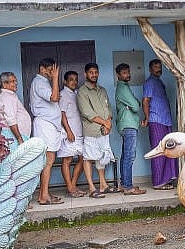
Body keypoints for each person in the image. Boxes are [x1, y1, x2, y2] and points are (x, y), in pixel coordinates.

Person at [77, 63, 117, 198]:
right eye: (91, 72)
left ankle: (103, 185)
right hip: (91, 130)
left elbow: (108, 108)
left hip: (104, 130)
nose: (94, 75)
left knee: (102, 157)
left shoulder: (102, 90)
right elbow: (87, 112)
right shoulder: (82, 91)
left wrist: (109, 123)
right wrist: (105, 123)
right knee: (88, 157)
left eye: (96, 72)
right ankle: (91, 187)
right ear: (85, 74)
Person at [30, 58, 64, 205]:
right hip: (45, 126)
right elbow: (55, 98)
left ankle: (45, 193)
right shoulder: (39, 82)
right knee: (48, 161)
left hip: (49, 126)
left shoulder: (43, 82)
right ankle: (43, 196)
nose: (53, 73)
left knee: (48, 161)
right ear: (42, 69)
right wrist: (56, 78)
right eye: (50, 70)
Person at [142, 59, 178, 190]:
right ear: (150, 69)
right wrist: (147, 118)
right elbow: (145, 101)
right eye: (156, 67)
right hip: (156, 120)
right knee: (158, 151)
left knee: (169, 150)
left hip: (166, 120)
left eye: (159, 67)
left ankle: (167, 179)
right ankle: (158, 182)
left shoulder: (159, 82)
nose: (158, 69)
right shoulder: (150, 82)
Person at [115, 63, 147, 195]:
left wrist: (134, 104)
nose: (127, 75)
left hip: (128, 125)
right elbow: (135, 105)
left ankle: (124, 184)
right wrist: (134, 104)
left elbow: (134, 105)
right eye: (124, 73)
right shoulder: (122, 88)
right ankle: (128, 187)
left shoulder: (125, 87)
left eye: (128, 72)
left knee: (125, 156)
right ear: (118, 75)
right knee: (129, 156)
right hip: (128, 126)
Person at [57, 71, 86, 198]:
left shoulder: (76, 94)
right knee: (67, 160)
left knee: (83, 159)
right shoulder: (63, 95)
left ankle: (72, 186)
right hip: (69, 133)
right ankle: (70, 188)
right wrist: (69, 131)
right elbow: (62, 115)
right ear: (65, 82)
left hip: (79, 132)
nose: (74, 82)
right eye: (71, 80)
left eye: (75, 79)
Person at [0, 72, 31, 152]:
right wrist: (19, 139)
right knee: (16, 162)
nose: (16, 83)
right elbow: (11, 120)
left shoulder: (10, 95)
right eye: (13, 81)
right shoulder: (7, 97)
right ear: (4, 84)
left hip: (15, 135)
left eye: (15, 81)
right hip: (13, 137)